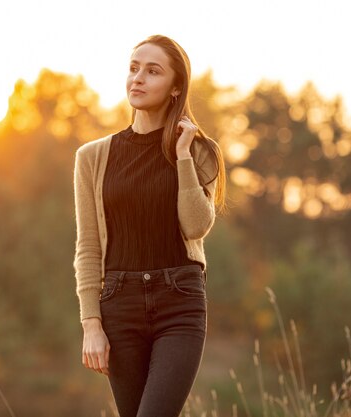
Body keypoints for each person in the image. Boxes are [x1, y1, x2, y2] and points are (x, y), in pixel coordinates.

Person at [72, 34, 227, 416]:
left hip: (179, 302)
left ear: (176, 87)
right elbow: (88, 247)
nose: (137, 78)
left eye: (152, 71)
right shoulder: (92, 157)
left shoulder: (200, 151)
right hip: (119, 304)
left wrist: (182, 156)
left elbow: (195, 227)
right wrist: (92, 324)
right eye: (133, 68)